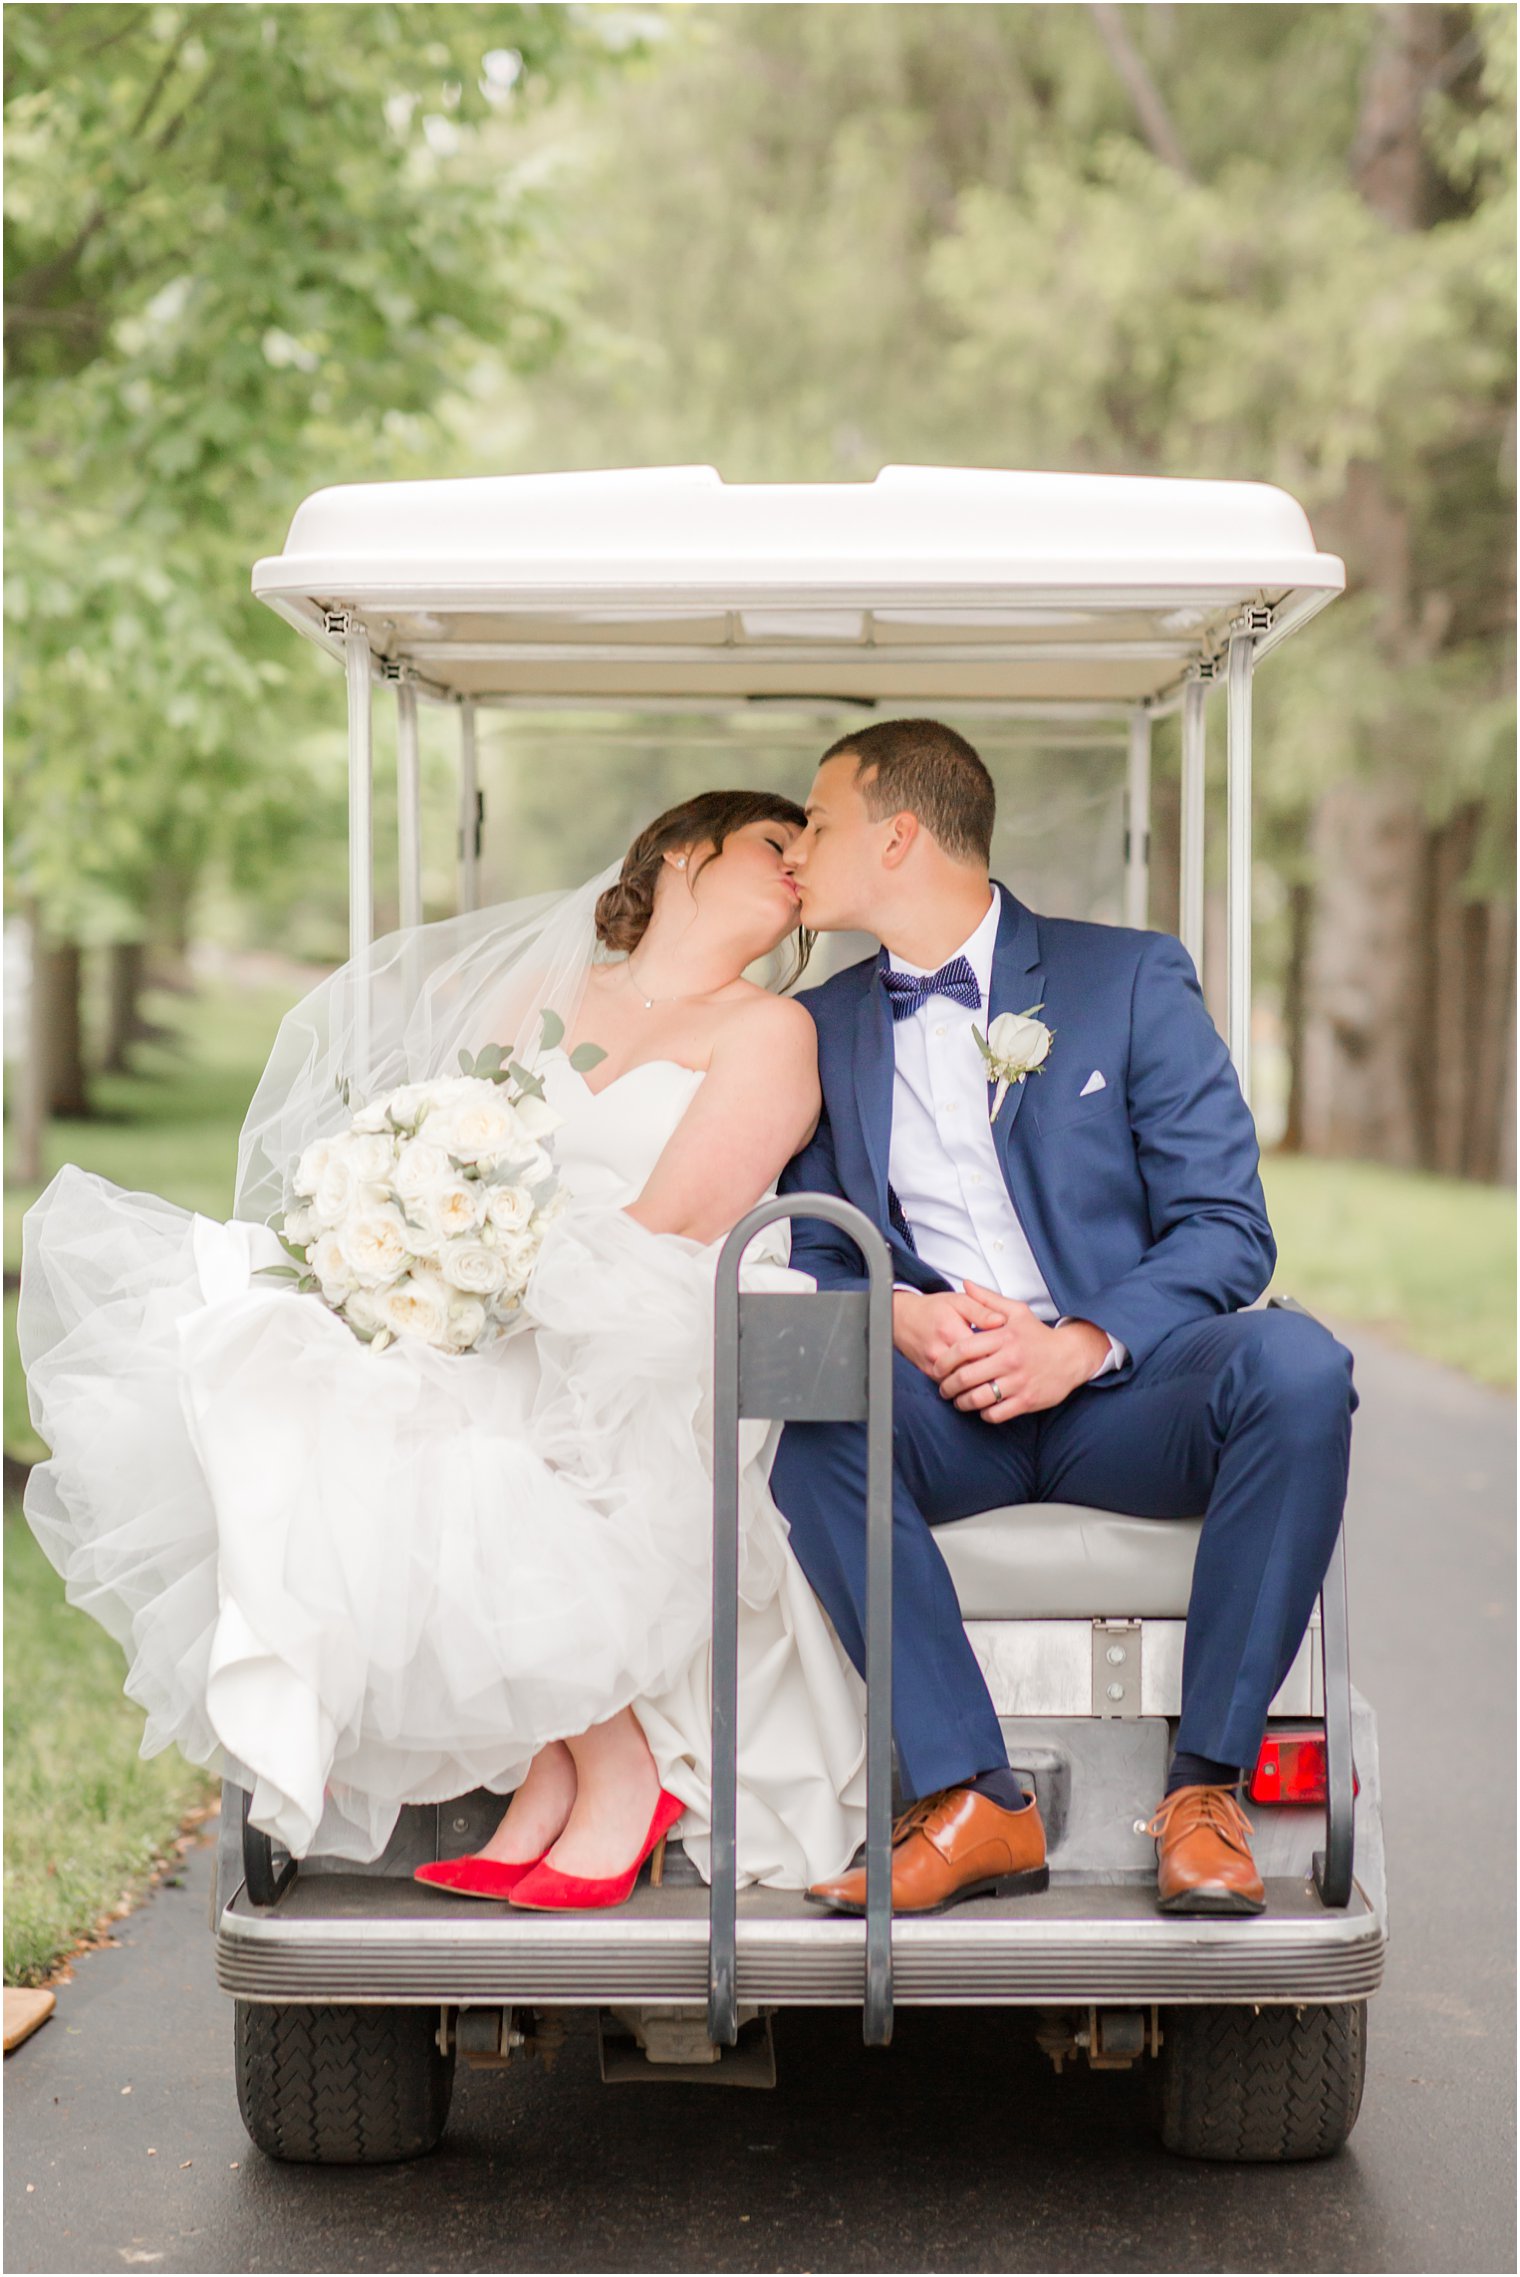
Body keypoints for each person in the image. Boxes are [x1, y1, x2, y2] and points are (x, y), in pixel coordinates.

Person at [19, 790, 869, 1912]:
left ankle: (613, 1771)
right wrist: (416, 1243)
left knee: (463, 1430)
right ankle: (561, 1767)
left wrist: (503, 1281)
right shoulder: (537, 993)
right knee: (291, 1355)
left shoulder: (768, 1028)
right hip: (516, 1291)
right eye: (776, 841)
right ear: (678, 848)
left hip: (660, 1303)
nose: (801, 864)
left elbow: (677, 1217)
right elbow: (445, 1141)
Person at [770, 717, 1358, 1919]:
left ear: (896, 837)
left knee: (1298, 1368)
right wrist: (892, 1319)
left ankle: (1204, 1793)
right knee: (811, 1418)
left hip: (1116, 1397)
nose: (795, 849)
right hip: (946, 1404)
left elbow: (1225, 1229)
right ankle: (974, 1795)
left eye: (816, 823)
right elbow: (807, 1243)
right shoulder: (819, 1028)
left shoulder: (1126, 977)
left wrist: (1075, 1344)